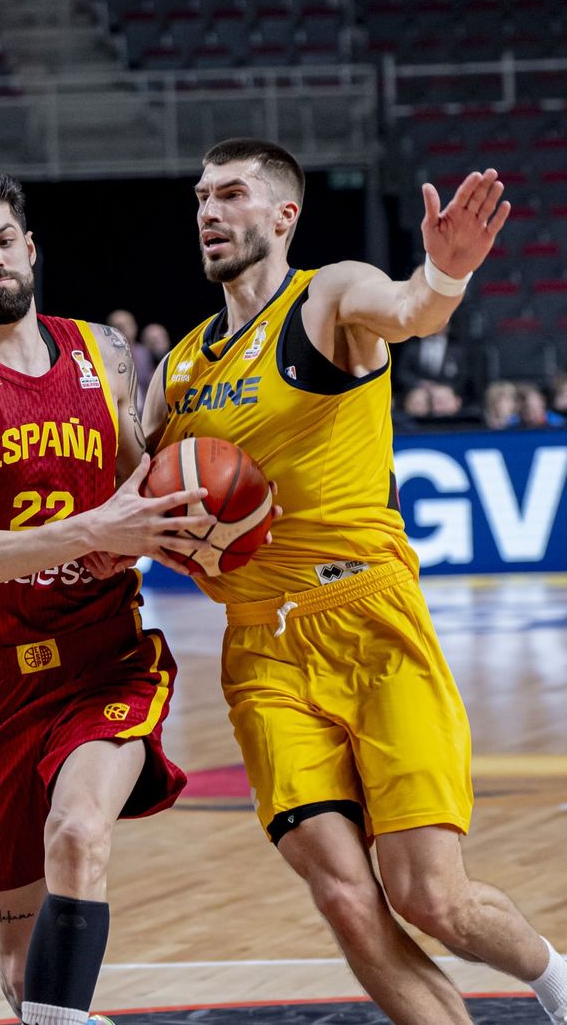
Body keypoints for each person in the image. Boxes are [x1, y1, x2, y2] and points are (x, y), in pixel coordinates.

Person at [142, 138, 567, 1023]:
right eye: (200, 198)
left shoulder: (329, 294)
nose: (209, 213)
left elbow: (409, 308)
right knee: (344, 898)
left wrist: (443, 277)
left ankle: (556, 980)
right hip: (260, 652)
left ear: (283, 215)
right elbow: (126, 508)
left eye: (230, 195)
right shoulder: (179, 368)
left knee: (430, 897)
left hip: (370, 622)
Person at [0, 171, 211, 1025]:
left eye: (1, 240)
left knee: (78, 834)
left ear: (29, 248)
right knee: (21, 970)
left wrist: (175, 523)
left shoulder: (101, 351)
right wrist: (90, 533)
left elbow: (140, 483)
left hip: (106, 661)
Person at [104, 308, 152, 412]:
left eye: (126, 325)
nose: (122, 330)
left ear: (134, 327)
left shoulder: (144, 353)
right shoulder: (104, 356)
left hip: (144, 412)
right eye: (117, 327)